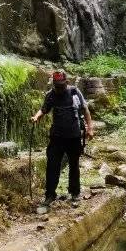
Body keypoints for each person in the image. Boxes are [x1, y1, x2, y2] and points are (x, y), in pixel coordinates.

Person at [31, 70, 93, 208]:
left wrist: (90, 128)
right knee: (52, 165)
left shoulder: (74, 92)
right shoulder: (51, 95)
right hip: (56, 137)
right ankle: (50, 195)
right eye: (56, 85)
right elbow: (44, 109)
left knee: (74, 165)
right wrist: (36, 117)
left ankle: (74, 192)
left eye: (61, 85)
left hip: (73, 136)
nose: (58, 88)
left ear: (67, 82)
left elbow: (85, 109)